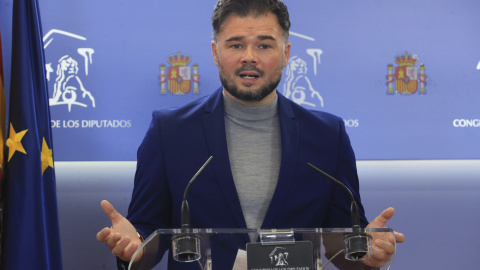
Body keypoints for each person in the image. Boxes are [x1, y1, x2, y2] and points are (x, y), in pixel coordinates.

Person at [96, 0, 405, 269]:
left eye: (264, 45)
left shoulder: (328, 134)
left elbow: (341, 241)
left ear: (286, 53)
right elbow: (150, 235)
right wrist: (134, 247)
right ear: (215, 53)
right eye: (235, 44)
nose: (249, 57)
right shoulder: (170, 131)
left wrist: (367, 253)